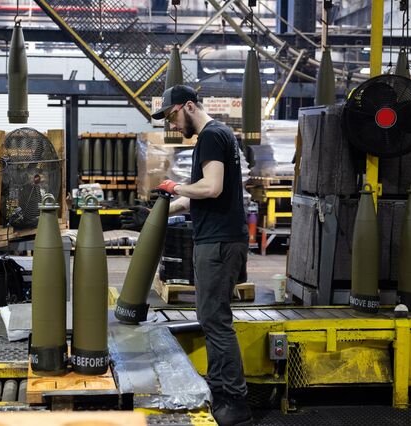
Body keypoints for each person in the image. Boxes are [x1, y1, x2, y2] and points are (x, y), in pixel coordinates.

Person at [121, 85, 251, 426]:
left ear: (189, 106)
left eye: (172, 116)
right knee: (213, 319)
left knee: (215, 322)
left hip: (219, 243)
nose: (172, 125)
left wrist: (173, 186)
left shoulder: (211, 136)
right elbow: (200, 197)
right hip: (221, 239)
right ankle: (223, 389)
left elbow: (212, 188)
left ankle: (234, 402)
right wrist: (160, 209)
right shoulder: (218, 134)